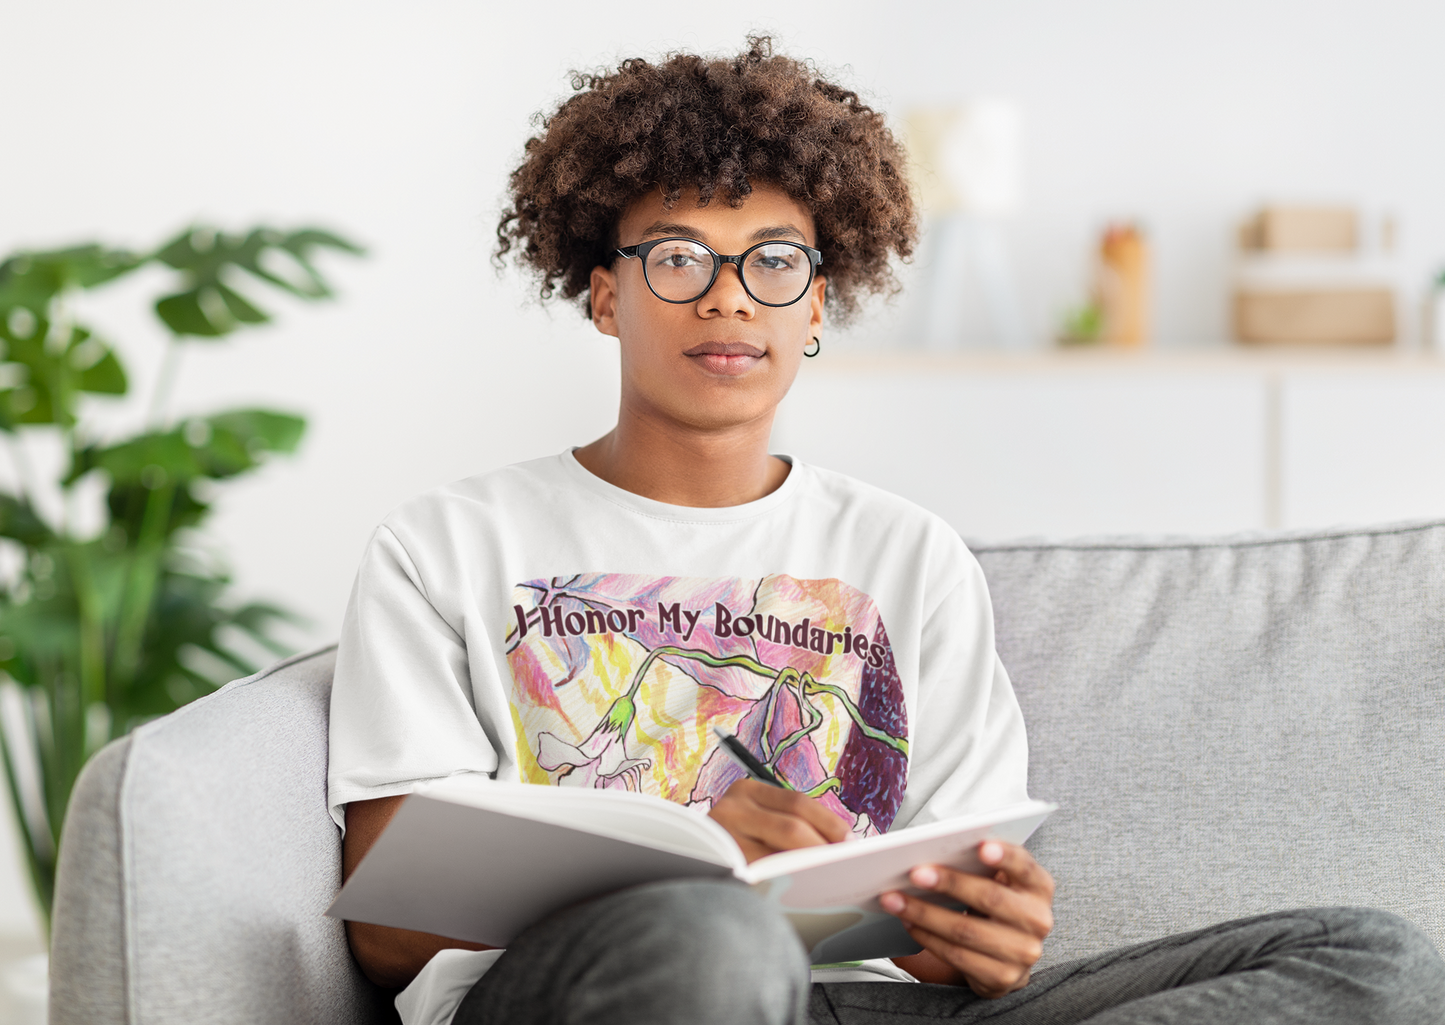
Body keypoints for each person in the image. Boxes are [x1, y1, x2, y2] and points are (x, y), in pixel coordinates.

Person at [329, 37, 1445, 1025]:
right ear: (602, 294)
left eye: (772, 261)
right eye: (676, 257)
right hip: (613, 985)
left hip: (872, 1004)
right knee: (718, 938)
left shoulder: (908, 554)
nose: (728, 299)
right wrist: (688, 872)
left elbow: (945, 900)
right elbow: (385, 933)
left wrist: (971, 932)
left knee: (1372, 959)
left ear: (818, 300)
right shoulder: (449, 544)